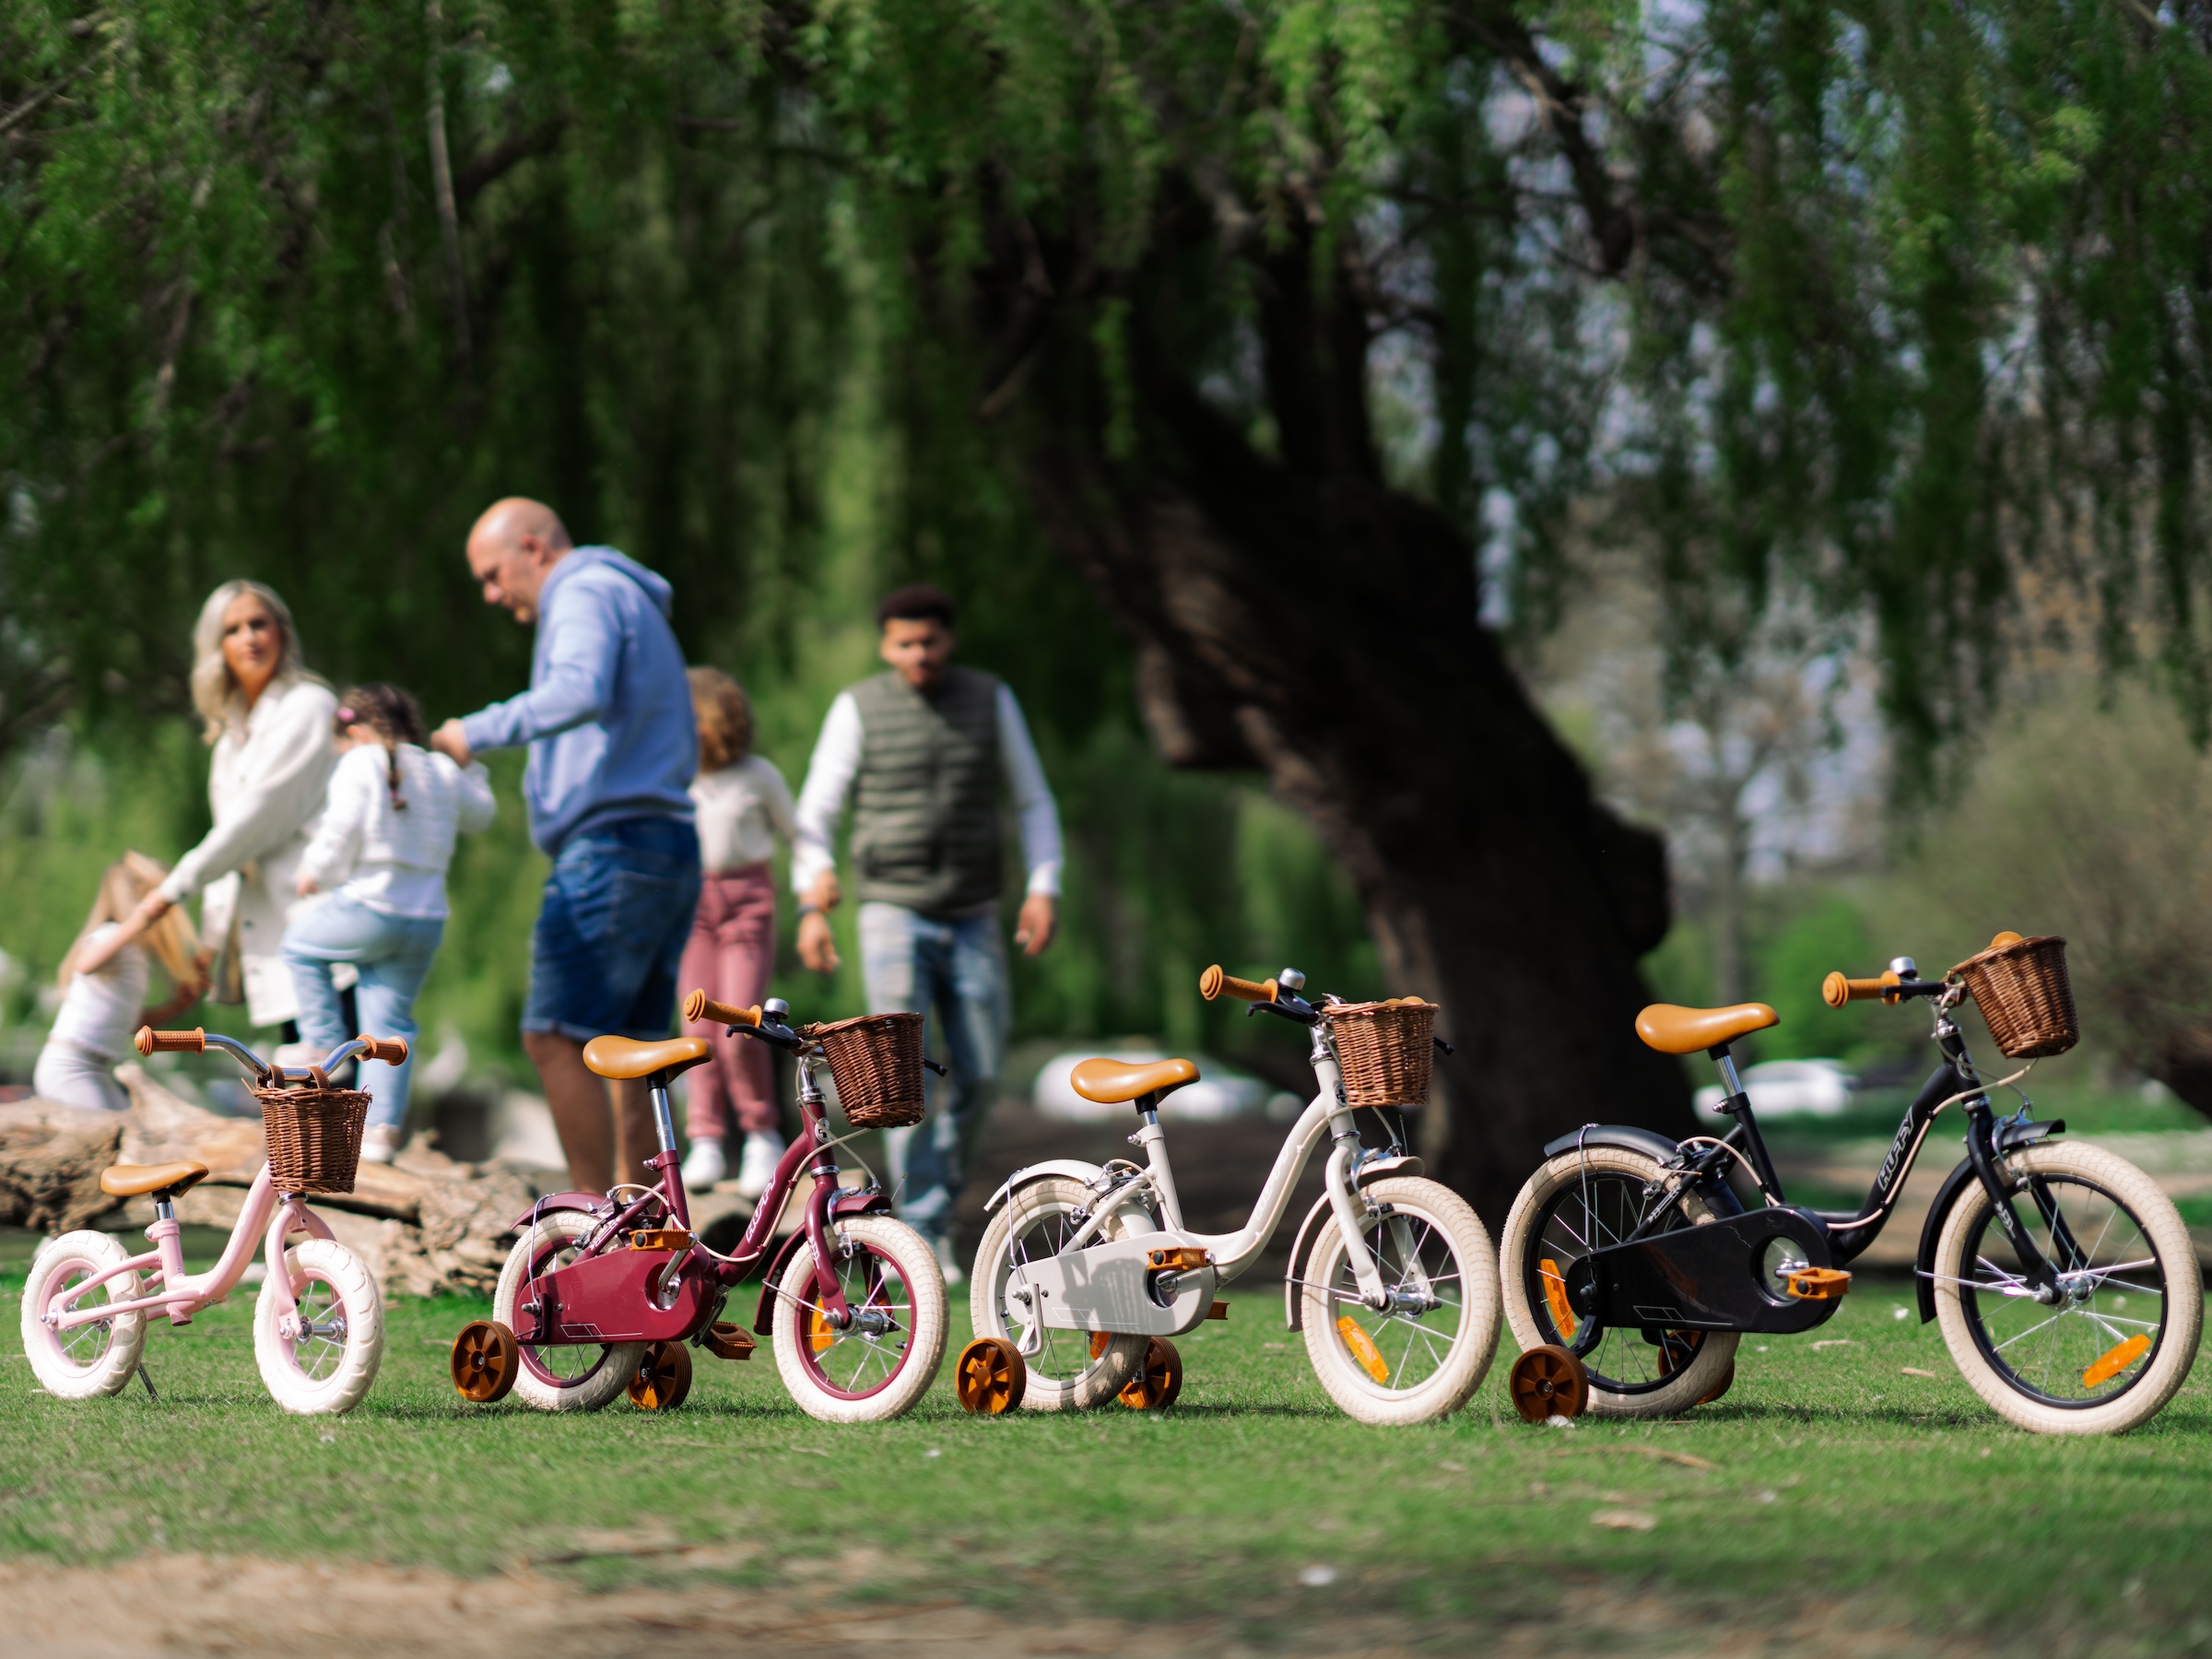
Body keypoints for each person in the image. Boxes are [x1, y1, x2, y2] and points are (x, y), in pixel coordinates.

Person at [429, 498, 700, 1194]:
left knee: (554, 1037)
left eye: (493, 574)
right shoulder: (626, 595)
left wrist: (471, 732)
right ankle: (647, 1229)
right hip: (665, 845)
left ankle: (592, 1226)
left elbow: (575, 690)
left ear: (533, 547)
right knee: (635, 1055)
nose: (492, 594)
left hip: (612, 848)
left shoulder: (581, 590)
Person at [792, 583, 1062, 1279]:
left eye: (930, 642)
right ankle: (922, 1225)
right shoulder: (858, 707)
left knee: (981, 1069)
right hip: (890, 907)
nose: (918, 655)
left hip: (973, 909)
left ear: (949, 640)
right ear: (887, 646)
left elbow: (1031, 798)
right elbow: (817, 808)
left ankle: (929, 1209)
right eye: (904, 644)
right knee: (902, 1077)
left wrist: (1043, 887)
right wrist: (813, 892)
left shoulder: (990, 699)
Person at [112, 581, 339, 1053]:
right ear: (218, 648)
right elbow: (230, 844)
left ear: (282, 631)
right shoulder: (230, 737)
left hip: (323, 925)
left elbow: (256, 821)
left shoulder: (309, 706)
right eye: (234, 629)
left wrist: (169, 893)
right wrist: (210, 946)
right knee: (308, 1092)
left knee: (339, 1083)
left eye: (259, 623)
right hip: (278, 935)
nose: (250, 637)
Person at [284, 686, 497, 1164]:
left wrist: (313, 870)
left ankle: (319, 1036)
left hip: (372, 907)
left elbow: (341, 827)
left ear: (355, 730)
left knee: (299, 945)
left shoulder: (360, 762)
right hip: (424, 920)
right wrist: (469, 762)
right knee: (390, 1025)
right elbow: (482, 814)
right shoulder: (441, 769)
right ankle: (379, 1134)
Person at [675, 668, 798, 1197]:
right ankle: (705, 1137)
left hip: (747, 901)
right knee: (698, 1030)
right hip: (692, 907)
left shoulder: (757, 776)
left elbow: (799, 834)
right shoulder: (675, 776)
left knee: (742, 1024)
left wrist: (815, 887)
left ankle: (761, 1133)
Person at [35, 853, 207, 1112]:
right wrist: (139, 920)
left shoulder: (135, 954)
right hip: (69, 1066)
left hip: (97, 1067)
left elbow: (131, 1023)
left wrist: (177, 1007)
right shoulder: (110, 936)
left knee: (129, 1130)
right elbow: (86, 964)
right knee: (115, 1136)